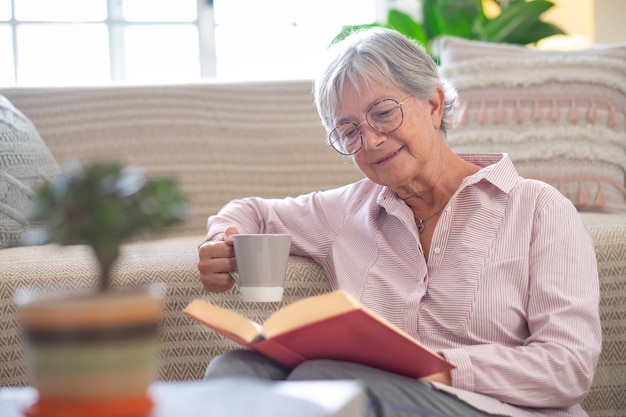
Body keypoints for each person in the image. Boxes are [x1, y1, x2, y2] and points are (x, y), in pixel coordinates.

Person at [197, 28, 601, 417]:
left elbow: (567, 368)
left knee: (326, 380)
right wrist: (223, 239)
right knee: (234, 374)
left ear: (434, 104)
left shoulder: (539, 209)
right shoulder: (345, 211)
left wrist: (437, 367)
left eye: (384, 113)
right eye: (349, 131)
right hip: (373, 391)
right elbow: (252, 211)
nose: (370, 141)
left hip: (497, 409)